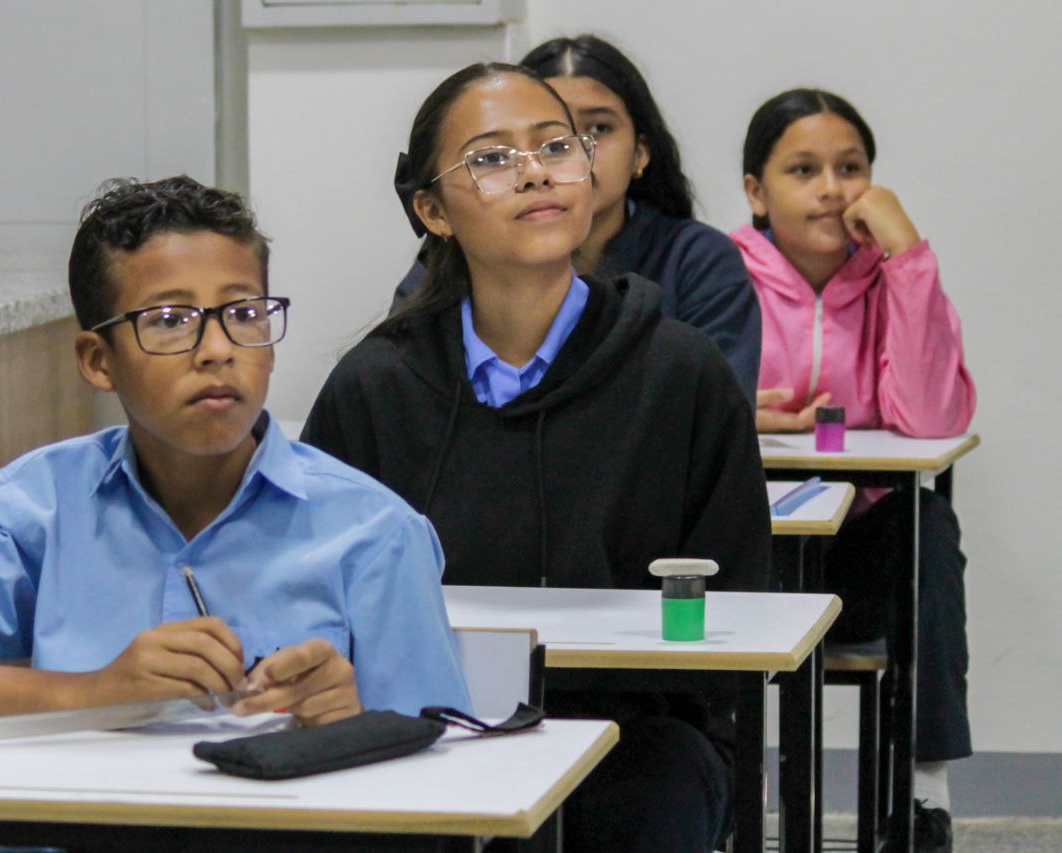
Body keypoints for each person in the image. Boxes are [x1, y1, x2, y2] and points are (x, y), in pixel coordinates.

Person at [0, 176, 470, 725]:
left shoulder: (373, 532)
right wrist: (90, 691)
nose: (217, 349)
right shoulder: (39, 505)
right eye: (169, 321)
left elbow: (450, 779)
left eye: (244, 312)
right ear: (97, 360)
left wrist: (355, 723)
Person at [304, 62, 770, 852]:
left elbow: (737, 609)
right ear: (432, 210)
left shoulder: (682, 373)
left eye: (557, 145)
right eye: (490, 158)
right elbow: (313, 589)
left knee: (645, 807)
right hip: (423, 722)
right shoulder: (375, 384)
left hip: (635, 732)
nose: (533, 172)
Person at [732, 88, 976, 853]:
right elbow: (681, 402)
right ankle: (722, 790)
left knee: (929, 527)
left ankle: (921, 795)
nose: (832, 189)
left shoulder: (888, 278)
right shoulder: (719, 273)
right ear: (755, 191)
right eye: (803, 169)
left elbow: (933, 419)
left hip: (856, 549)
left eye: (851, 168)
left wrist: (909, 259)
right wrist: (746, 412)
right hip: (748, 545)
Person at [391, 34, 761, 403]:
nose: (542, 166)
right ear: (435, 214)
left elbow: (715, 415)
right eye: (498, 155)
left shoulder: (695, 260)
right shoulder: (454, 258)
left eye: (595, 129)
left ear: (640, 154)